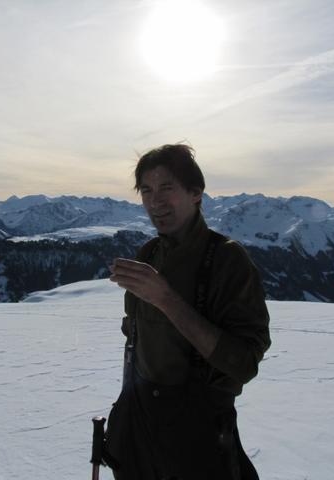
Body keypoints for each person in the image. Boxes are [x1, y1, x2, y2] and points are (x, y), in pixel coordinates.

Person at [106, 144, 271, 480]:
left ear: (196, 193)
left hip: (197, 437)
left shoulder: (227, 261)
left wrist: (166, 299)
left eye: (167, 188)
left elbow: (243, 363)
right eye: (146, 191)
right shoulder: (149, 253)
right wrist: (124, 417)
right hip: (139, 430)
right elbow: (137, 339)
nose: (155, 202)